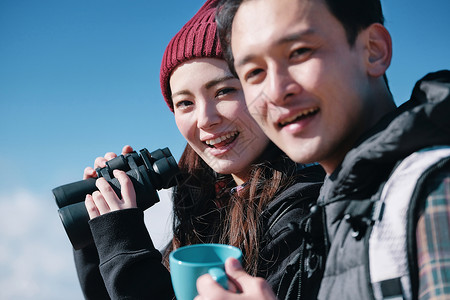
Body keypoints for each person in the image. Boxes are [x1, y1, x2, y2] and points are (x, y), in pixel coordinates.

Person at [195, 0, 450, 299]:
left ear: (374, 49)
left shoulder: (434, 189)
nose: (276, 91)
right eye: (254, 73)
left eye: (299, 52)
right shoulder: (338, 206)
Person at [73, 0, 325, 299]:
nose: (205, 119)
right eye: (185, 103)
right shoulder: (207, 206)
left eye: (224, 91)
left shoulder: (303, 209)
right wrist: (99, 236)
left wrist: (125, 246)